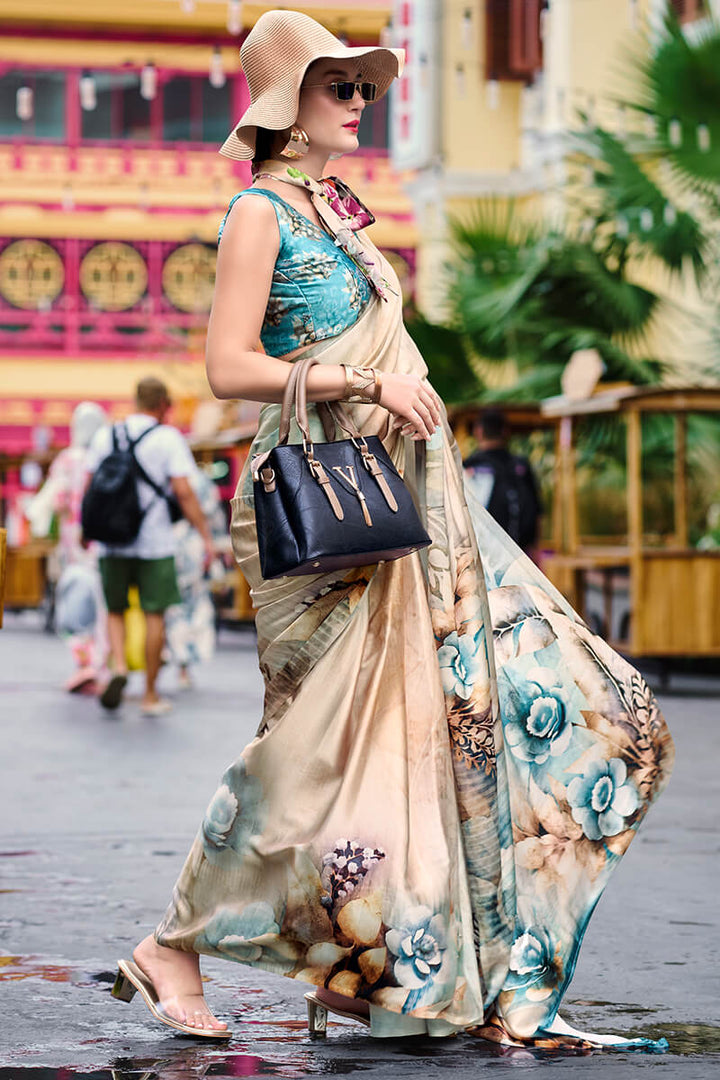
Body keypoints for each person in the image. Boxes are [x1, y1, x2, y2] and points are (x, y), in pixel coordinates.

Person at [112, 10, 674, 1050]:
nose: (361, 102)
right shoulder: (258, 216)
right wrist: (360, 378)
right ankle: (174, 944)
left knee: (479, 726)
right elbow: (226, 367)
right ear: (289, 102)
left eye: (366, 87)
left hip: (402, 497)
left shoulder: (339, 212)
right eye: (340, 87)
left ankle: (353, 971)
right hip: (325, 499)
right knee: (321, 744)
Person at [86, 377, 214, 716]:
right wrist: (204, 534)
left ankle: (118, 670)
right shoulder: (167, 438)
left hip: (112, 543)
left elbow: (90, 488)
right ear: (162, 405)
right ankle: (150, 695)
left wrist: (88, 530)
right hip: (155, 543)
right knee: (153, 613)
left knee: (115, 610)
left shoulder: (106, 435)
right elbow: (184, 493)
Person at [27, 402, 108, 693]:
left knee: (74, 603)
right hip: (104, 546)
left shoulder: (66, 461)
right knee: (103, 607)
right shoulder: (105, 456)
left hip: (73, 549)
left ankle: (84, 663)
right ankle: (103, 667)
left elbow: (55, 501)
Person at [165, 464, 227, 690]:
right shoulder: (201, 480)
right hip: (195, 545)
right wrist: (213, 543)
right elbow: (214, 515)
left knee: (169, 607)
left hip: (163, 545)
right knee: (193, 604)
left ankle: (172, 656)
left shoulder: (165, 475)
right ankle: (184, 664)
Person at [463, 409, 542, 557]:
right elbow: (537, 511)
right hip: (521, 553)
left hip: (484, 554)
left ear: (478, 431)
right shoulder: (521, 467)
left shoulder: (470, 467)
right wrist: (535, 549)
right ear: (505, 431)